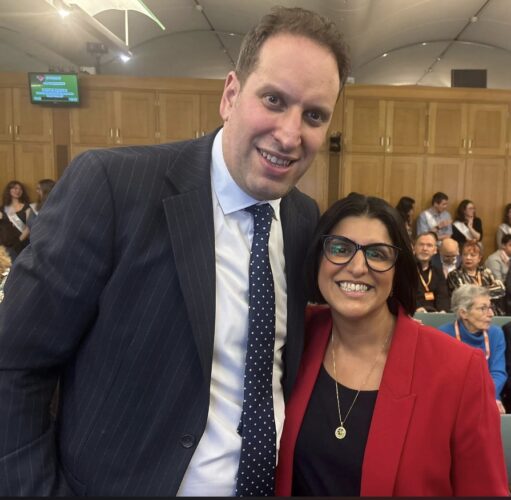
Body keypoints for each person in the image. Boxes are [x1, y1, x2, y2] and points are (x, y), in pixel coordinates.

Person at [0, 7, 350, 497]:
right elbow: (14, 365)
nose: (291, 135)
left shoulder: (302, 219)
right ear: (231, 95)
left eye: (314, 115)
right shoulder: (113, 188)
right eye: (274, 100)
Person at [275, 194, 508, 496]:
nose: (357, 267)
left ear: (399, 269)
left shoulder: (459, 369)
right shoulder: (293, 335)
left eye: (377, 254)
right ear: (318, 258)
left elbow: (483, 489)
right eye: (340, 248)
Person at [438, 285, 507, 415]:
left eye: (490, 307)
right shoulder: (443, 335)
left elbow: (498, 373)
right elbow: (443, 379)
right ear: (463, 313)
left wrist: (488, 397)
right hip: (454, 399)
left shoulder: (496, 333)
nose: (491, 314)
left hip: (489, 395)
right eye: (483, 308)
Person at [447, 240, 505, 315]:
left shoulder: (486, 272)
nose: (468, 258)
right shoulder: (454, 275)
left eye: (472, 255)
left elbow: (501, 289)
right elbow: (465, 296)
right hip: (467, 312)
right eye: (465, 255)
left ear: (479, 258)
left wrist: (476, 291)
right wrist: (488, 292)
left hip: (490, 311)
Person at [413, 232, 450, 312]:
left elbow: (443, 296)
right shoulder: (406, 270)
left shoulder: (438, 272)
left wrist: (443, 311)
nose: (425, 248)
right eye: (421, 244)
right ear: (414, 248)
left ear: (435, 250)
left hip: (435, 315)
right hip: (413, 313)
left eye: (429, 245)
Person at [0, 180, 31, 259]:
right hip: (5, 245)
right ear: (9, 190)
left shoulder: (27, 207)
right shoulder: (2, 208)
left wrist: (18, 241)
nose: (18, 191)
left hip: (21, 243)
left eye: (20, 189)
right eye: (15, 188)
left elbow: (29, 227)